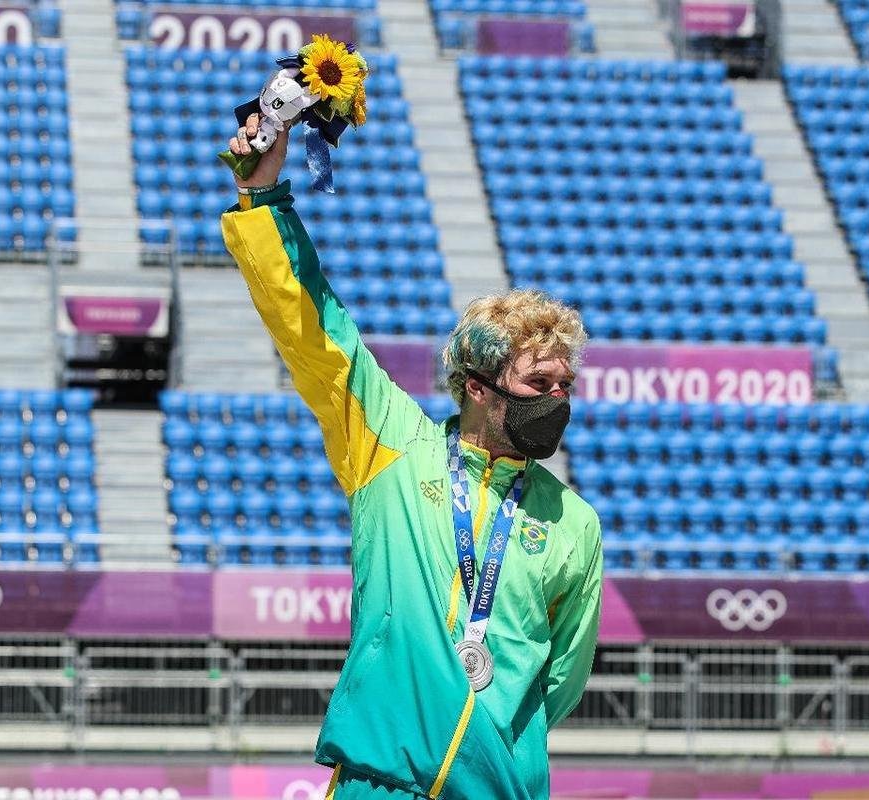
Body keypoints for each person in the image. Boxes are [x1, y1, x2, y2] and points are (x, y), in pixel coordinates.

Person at [220, 113, 603, 800]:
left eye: (566, 387)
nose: (558, 401)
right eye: (538, 385)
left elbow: (561, 681)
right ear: (478, 389)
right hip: (381, 780)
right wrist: (264, 199)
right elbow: (318, 335)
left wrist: (490, 741)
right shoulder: (390, 446)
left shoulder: (573, 523)